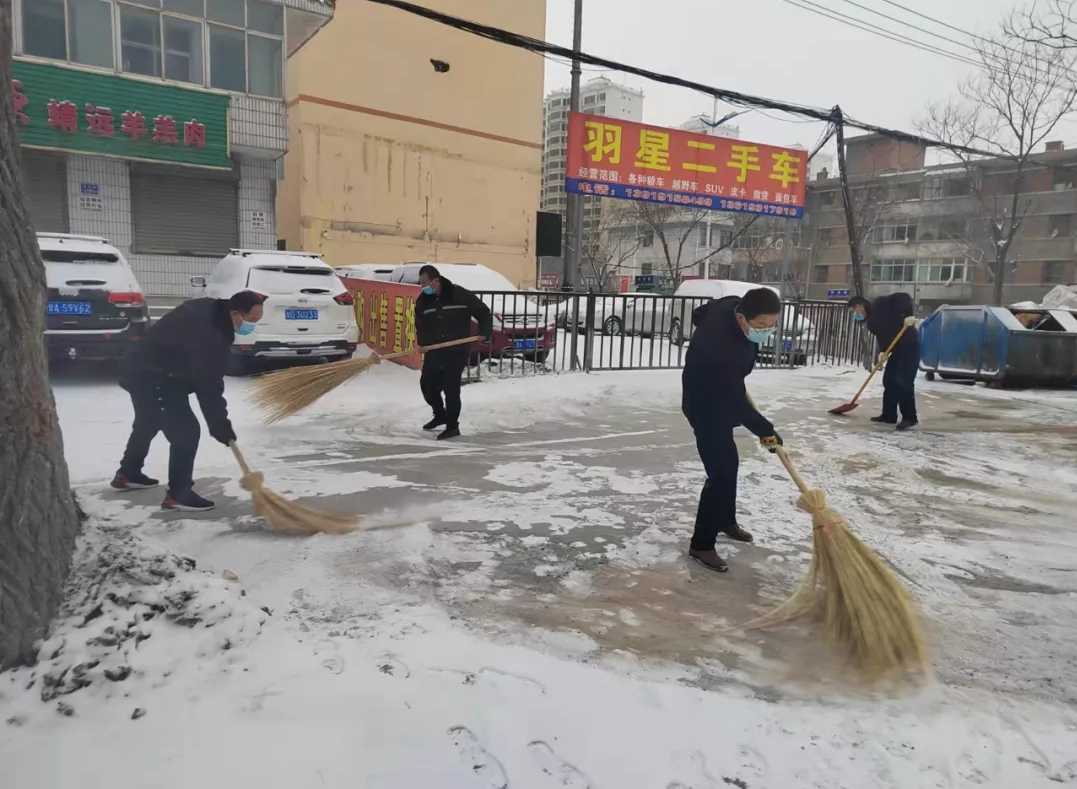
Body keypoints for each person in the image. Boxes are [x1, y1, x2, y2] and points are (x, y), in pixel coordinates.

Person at [111, 291, 266, 511]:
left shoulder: (209, 309)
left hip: (147, 369)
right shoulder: (210, 334)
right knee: (186, 431)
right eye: (251, 321)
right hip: (153, 377)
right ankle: (178, 494)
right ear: (234, 313)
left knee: (149, 420)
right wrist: (220, 426)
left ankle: (128, 473)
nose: (252, 327)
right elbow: (209, 386)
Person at [681, 288, 784, 573]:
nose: (767, 331)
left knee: (729, 464)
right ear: (742, 318)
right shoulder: (718, 347)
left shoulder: (732, 308)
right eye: (761, 326)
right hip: (705, 402)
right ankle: (701, 544)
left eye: (772, 324)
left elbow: (711, 307)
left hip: (725, 388)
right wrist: (765, 429)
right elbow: (733, 400)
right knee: (721, 472)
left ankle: (725, 519)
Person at [415, 265, 493, 441]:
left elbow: (483, 312)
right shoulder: (423, 301)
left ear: (436, 281)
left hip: (456, 350)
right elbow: (421, 325)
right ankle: (440, 414)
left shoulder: (459, 295)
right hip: (435, 350)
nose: (423, 287)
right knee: (427, 385)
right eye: (420, 284)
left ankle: (452, 426)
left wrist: (484, 332)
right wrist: (423, 343)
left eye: (425, 283)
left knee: (451, 388)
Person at [848, 293, 920, 431]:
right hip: (897, 349)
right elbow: (883, 336)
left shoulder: (879, 304)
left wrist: (908, 315)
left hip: (909, 345)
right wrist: (883, 352)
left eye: (854, 312)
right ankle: (889, 415)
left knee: (903, 381)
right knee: (889, 380)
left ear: (860, 307)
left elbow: (903, 297)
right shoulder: (871, 323)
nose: (855, 315)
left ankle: (910, 418)